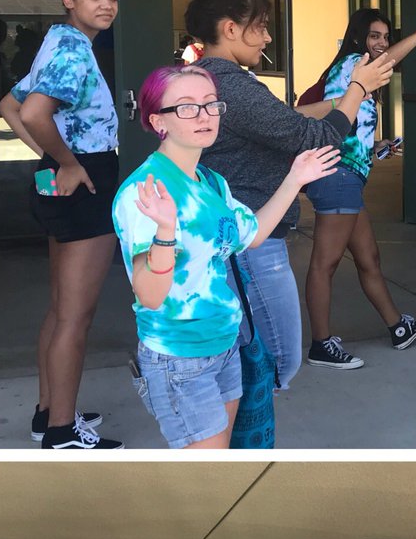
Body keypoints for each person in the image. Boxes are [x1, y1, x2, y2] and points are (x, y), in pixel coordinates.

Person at [187, 0, 394, 390]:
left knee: (245, 353)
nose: (266, 39)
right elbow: (313, 137)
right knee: (278, 361)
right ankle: (240, 436)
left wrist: (338, 100)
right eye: (260, 28)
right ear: (230, 29)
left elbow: (283, 120)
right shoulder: (235, 87)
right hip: (252, 239)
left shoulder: (203, 79)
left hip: (231, 234)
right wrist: (358, 88)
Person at [111, 65, 339, 449]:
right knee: (209, 477)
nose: (203, 115)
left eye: (210, 104)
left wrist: (294, 179)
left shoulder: (211, 181)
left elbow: (250, 236)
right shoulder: (147, 192)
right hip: (180, 358)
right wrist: (166, 232)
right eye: (186, 107)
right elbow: (149, 295)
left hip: (224, 345)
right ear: (157, 121)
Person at [0, 0, 124, 450]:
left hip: (67, 179)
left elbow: (10, 105)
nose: (106, 5)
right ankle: (62, 432)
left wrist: (52, 158)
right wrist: (68, 162)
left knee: (59, 309)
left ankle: (50, 412)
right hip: (86, 180)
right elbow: (31, 112)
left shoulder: (56, 43)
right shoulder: (72, 48)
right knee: (76, 316)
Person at [299, 0, 416, 369]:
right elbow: (387, 61)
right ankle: (321, 345)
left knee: (368, 258)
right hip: (337, 175)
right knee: (324, 264)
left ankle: (398, 327)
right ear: (358, 39)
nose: (381, 43)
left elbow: (348, 125)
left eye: (386, 36)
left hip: (349, 176)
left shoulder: (358, 76)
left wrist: (375, 146)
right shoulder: (353, 65)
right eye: (375, 36)